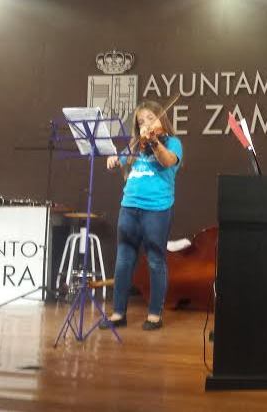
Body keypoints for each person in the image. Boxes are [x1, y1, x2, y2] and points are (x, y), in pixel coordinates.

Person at [101, 100, 183, 331]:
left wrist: (154, 142)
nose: (145, 124)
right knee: (123, 260)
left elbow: (167, 161)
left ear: (161, 119)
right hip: (129, 207)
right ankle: (118, 313)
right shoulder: (135, 145)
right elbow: (119, 160)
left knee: (155, 260)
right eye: (141, 121)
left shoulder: (172, 143)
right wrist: (113, 159)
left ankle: (155, 315)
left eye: (150, 118)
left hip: (156, 209)